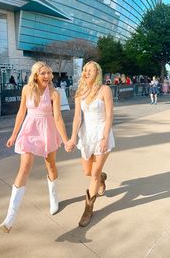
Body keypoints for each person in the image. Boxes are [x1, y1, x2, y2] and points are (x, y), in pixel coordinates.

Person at [0, 61, 68, 233]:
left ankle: (53, 196)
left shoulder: (55, 93)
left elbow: (58, 118)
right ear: (36, 75)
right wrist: (14, 135)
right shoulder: (27, 90)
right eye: (43, 73)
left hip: (47, 129)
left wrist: (65, 140)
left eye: (49, 73)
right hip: (29, 130)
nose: (47, 76)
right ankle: (10, 217)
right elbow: (21, 112)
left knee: (50, 165)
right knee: (24, 168)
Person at [67, 61, 115, 227]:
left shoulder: (105, 90)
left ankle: (88, 210)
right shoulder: (80, 92)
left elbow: (109, 116)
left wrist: (105, 137)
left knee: (93, 175)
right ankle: (102, 177)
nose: (86, 72)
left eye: (90, 70)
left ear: (97, 73)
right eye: (85, 70)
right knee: (88, 171)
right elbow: (77, 118)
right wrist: (73, 137)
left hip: (102, 133)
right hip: (86, 135)